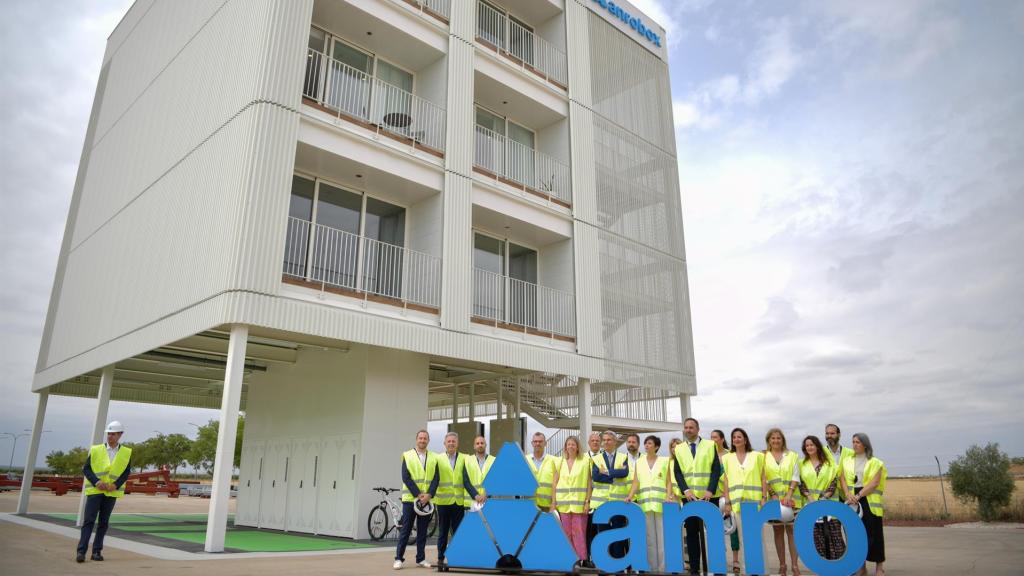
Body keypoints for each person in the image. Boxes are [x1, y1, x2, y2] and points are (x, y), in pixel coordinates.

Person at [669, 418, 722, 576]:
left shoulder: (710, 445)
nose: (688, 430)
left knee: (714, 532)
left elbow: (716, 470)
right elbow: (677, 472)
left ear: (698, 429)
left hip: (709, 497)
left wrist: (710, 490)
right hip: (689, 498)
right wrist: (685, 490)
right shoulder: (679, 448)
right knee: (691, 533)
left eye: (691, 427)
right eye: (686, 427)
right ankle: (694, 568)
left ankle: (717, 566)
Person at [77, 421, 133, 563]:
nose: (110, 436)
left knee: (103, 523)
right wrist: (96, 481)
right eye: (108, 434)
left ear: (120, 435)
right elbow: (86, 469)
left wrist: (116, 484)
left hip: (111, 493)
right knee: (89, 521)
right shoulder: (96, 450)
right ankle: (81, 552)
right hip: (95, 491)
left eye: (113, 434)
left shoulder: (126, 453)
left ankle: (96, 552)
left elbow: (126, 472)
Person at [721, 428, 766, 576]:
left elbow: (763, 477)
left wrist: (764, 498)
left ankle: (762, 570)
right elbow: (726, 481)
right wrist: (727, 502)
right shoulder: (727, 458)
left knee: (758, 538)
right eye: (734, 437)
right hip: (737, 503)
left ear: (745, 439)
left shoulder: (758, 456)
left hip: (755, 503)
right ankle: (748, 571)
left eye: (739, 437)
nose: (736, 439)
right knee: (743, 539)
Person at [790, 436, 843, 562]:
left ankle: (840, 569)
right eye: (807, 445)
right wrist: (809, 497)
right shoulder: (801, 464)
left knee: (835, 538)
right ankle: (823, 569)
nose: (809, 447)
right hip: (810, 505)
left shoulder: (829, 463)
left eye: (812, 445)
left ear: (817, 446)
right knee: (817, 539)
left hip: (829, 505)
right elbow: (800, 482)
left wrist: (824, 497)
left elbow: (834, 481)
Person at [840, 433, 886, 576]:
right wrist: (847, 493)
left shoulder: (875, 462)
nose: (855, 444)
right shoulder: (846, 460)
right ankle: (861, 568)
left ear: (865, 444)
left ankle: (879, 567)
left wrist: (859, 495)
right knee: (857, 535)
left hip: (869, 500)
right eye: (853, 442)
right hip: (852, 498)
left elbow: (875, 482)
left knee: (875, 534)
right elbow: (841, 478)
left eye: (858, 442)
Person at [394, 430, 438, 570]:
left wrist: (429, 495)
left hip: (426, 500)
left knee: (422, 531)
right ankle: (399, 559)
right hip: (410, 499)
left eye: (425, 438)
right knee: (406, 530)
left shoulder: (434, 457)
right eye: (420, 438)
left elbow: (436, 478)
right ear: (416, 439)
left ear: (428, 440)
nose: (422, 440)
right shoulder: (407, 455)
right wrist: (419, 494)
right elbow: (406, 477)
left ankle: (421, 558)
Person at [434, 432, 477, 569]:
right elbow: (435, 479)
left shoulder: (464, 458)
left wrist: (475, 495)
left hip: (458, 503)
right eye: (449, 441)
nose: (451, 443)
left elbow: (466, 480)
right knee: (443, 532)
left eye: (453, 441)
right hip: (443, 503)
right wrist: (429, 494)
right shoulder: (438, 459)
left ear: (457, 444)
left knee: (458, 532)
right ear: (444, 443)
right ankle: (441, 558)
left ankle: (458, 558)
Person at [592, 430, 635, 559]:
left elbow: (624, 473)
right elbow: (596, 476)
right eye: (604, 440)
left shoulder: (624, 457)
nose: (606, 442)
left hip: (618, 503)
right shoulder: (596, 458)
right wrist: (614, 473)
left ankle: (618, 566)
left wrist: (606, 473)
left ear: (615, 441)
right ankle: (605, 564)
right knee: (603, 535)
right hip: (601, 503)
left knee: (618, 534)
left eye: (609, 440)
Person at [764, 428, 801, 576]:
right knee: (778, 531)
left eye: (778, 438)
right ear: (769, 441)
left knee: (792, 531)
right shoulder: (764, 457)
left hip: (791, 500)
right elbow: (764, 478)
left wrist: (789, 494)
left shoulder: (792, 455)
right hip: (774, 500)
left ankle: (795, 565)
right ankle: (782, 565)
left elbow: (796, 475)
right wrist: (773, 494)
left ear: (783, 440)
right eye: (773, 438)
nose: (776, 441)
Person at [551, 435, 592, 565]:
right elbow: (554, 483)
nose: (571, 446)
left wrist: (587, 501)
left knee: (579, 533)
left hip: (579, 504)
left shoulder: (585, 461)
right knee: (566, 533)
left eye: (573, 444)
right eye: (568, 444)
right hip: (563, 504)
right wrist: (553, 502)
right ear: (565, 447)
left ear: (578, 446)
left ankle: (581, 559)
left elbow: (589, 483)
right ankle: (568, 559)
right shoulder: (560, 462)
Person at [636, 435, 669, 572]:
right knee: (649, 537)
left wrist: (669, 495)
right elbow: (635, 482)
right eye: (645, 443)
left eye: (649, 443)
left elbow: (668, 481)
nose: (646, 445)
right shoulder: (639, 462)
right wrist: (630, 496)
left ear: (656, 446)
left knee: (662, 536)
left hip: (661, 502)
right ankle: (652, 567)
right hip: (645, 503)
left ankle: (663, 567)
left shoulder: (664, 461)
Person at [710, 429, 739, 561]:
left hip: (729, 496)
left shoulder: (730, 455)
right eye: (711, 438)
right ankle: (719, 558)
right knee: (716, 528)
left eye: (715, 437)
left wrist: (726, 493)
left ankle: (735, 559)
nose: (713, 440)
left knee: (733, 529)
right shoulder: (709, 455)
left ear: (722, 439)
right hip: (714, 497)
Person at [525, 432, 559, 511]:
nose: (538, 443)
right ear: (532, 443)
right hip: (529, 505)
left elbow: (557, 484)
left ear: (545, 443)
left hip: (547, 506)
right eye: (535, 441)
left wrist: (554, 503)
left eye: (540, 441)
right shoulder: (525, 460)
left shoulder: (554, 460)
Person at [824, 424, 855, 499]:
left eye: (832, 433)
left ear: (839, 434)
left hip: (847, 495)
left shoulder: (850, 453)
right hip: (827, 495)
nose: (829, 436)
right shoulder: (821, 452)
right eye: (827, 433)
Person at [585, 431, 603, 555]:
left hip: (601, 499)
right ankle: (589, 557)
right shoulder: (583, 458)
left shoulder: (605, 457)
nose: (595, 443)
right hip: (586, 500)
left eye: (597, 441)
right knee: (587, 530)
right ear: (589, 443)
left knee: (600, 530)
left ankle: (600, 556)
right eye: (593, 441)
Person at [463, 435, 493, 509]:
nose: (480, 445)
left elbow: (496, 480)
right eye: (477, 443)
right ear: (474, 446)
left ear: (486, 445)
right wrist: (476, 495)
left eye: (482, 443)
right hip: (471, 503)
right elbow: (465, 481)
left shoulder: (493, 460)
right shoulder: (467, 460)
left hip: (489, 501)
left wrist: (486, 494)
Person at [624, 433, 641, 502]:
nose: (631, 444)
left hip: (642, 498)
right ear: (626, 444)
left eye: (633, 442)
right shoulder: (621, 459)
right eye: (629, 442)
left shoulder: (645, 459)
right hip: (627, 499)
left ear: (638, 444)